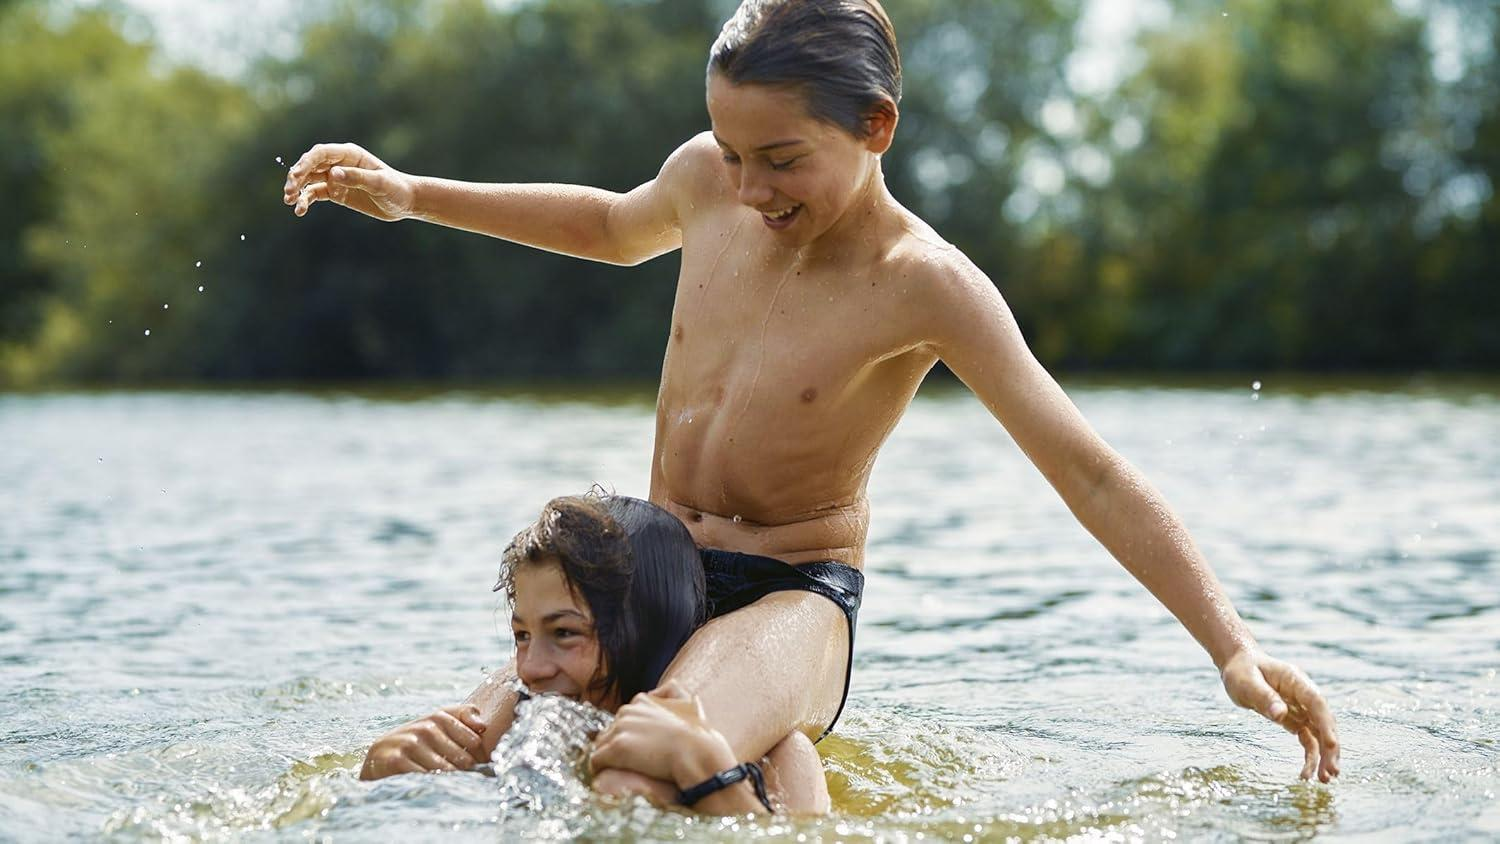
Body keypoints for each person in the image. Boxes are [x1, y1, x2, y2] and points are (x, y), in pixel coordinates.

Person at [288, 0, 1340, 787]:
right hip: (654, 570)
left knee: (643, 762)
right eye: (735, 153)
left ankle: (759, 766)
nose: (748, 188)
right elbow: (609, 225)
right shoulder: (708, 180)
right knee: (436, 758)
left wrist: (1232, 647)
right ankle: (777, 772)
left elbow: (1090, 470)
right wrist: (415, 195)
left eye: (781, 159)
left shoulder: (925, 285)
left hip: (788, 600)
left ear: (876, 127)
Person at [360, 493, 830, 815]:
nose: (531, 670)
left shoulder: (778, 760)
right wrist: (380, 774)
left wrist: (711, 777)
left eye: (565, 633)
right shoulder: (512, 739)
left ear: (649, 629)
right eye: (522, 636)